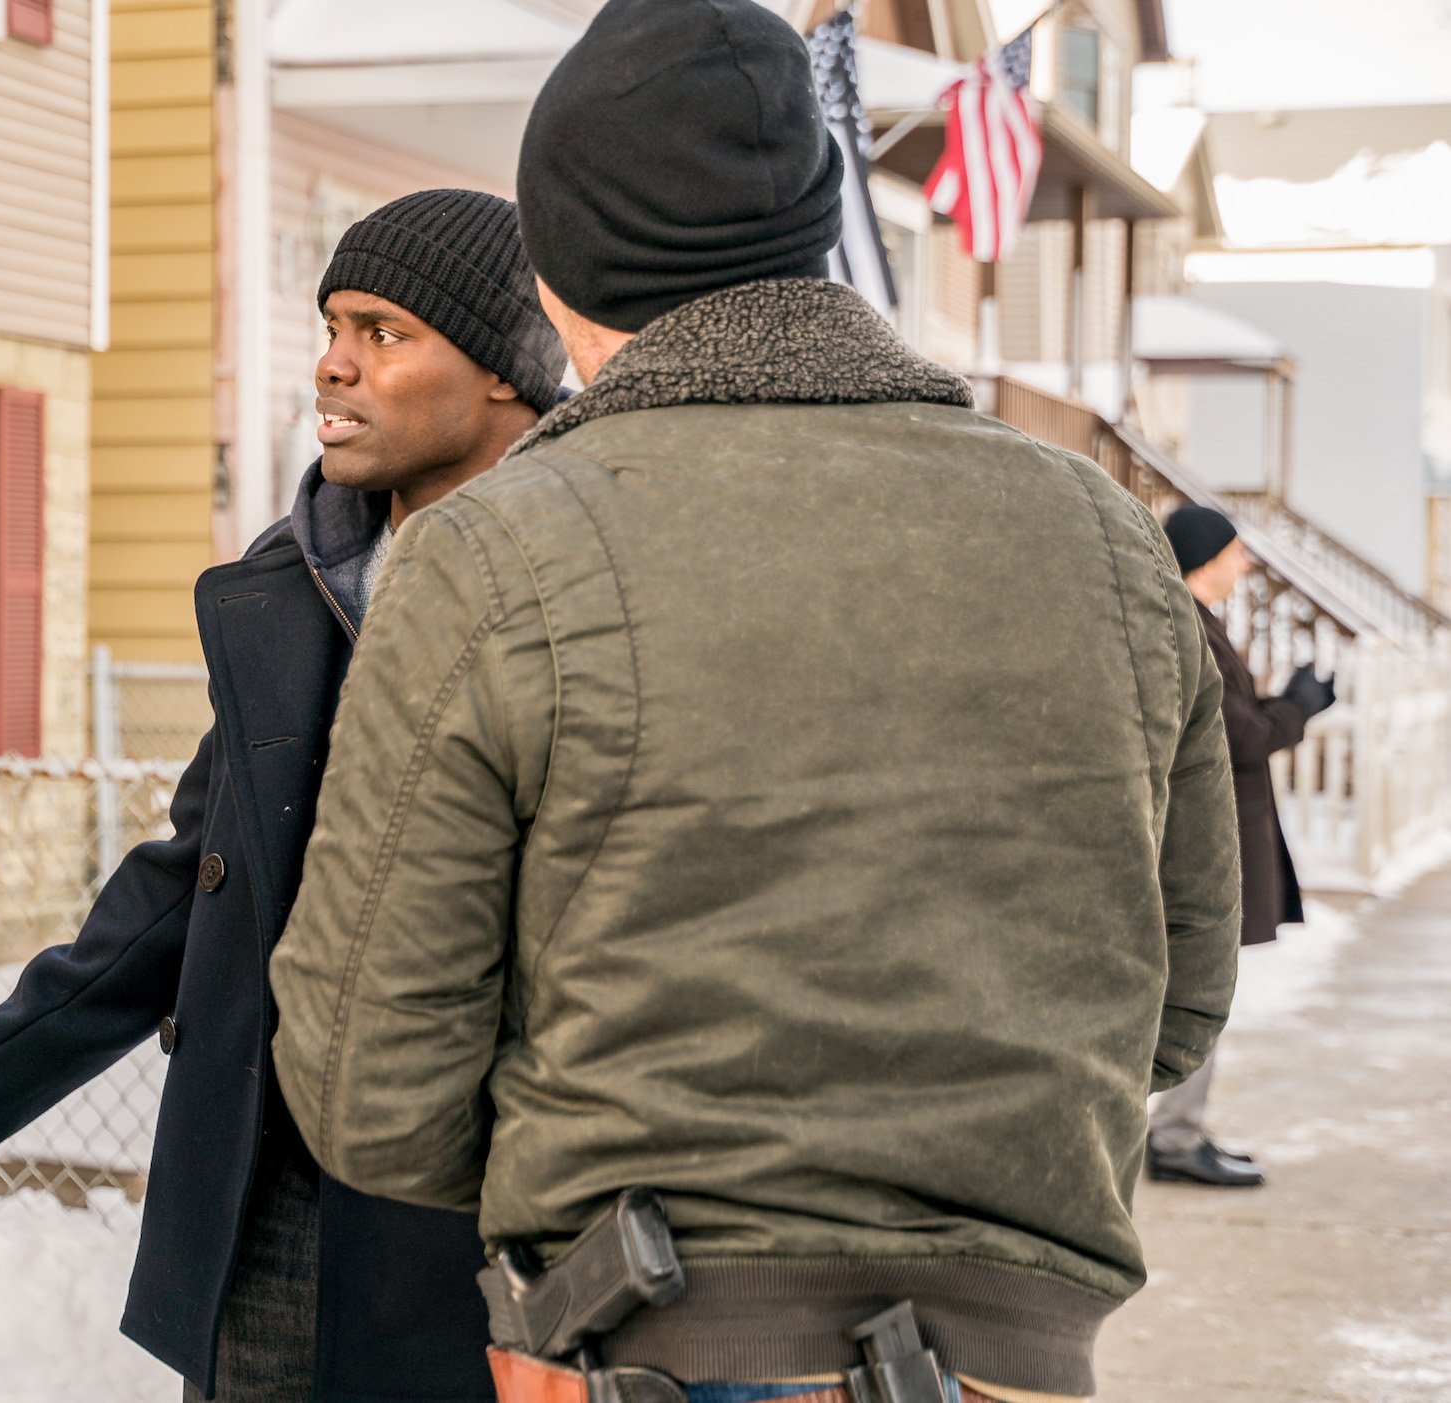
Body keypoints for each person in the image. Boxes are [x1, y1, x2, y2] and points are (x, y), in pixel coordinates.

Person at [267, 3, 1243, 1401]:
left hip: (649, 1329)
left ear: (559, 261)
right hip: (1010, 1347)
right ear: (808, 222)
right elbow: (1183, 995)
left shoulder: (494, 557)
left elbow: (369, 1062)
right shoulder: (1102, 535)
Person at [0, 190, 568, 1403]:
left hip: (484, 1243)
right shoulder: (298, 588)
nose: (334, 363)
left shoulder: (592, 594)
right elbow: (193, 884)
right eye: (331, 323)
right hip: (267, 1209)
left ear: (508, 373)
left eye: (385, 331)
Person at [1148, 506, 1334, 1188]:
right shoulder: (1191, 629)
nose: (1246, 563)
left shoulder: (1194, 622)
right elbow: (1243, 737)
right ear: (1206, 557)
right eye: (1237, 551)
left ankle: (1176, 1128)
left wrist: (1289, 702)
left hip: (1216, 833)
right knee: (1199, 987)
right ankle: (1173, 1134)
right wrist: (1300, 706)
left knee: (1196, 983)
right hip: (1206, 841)